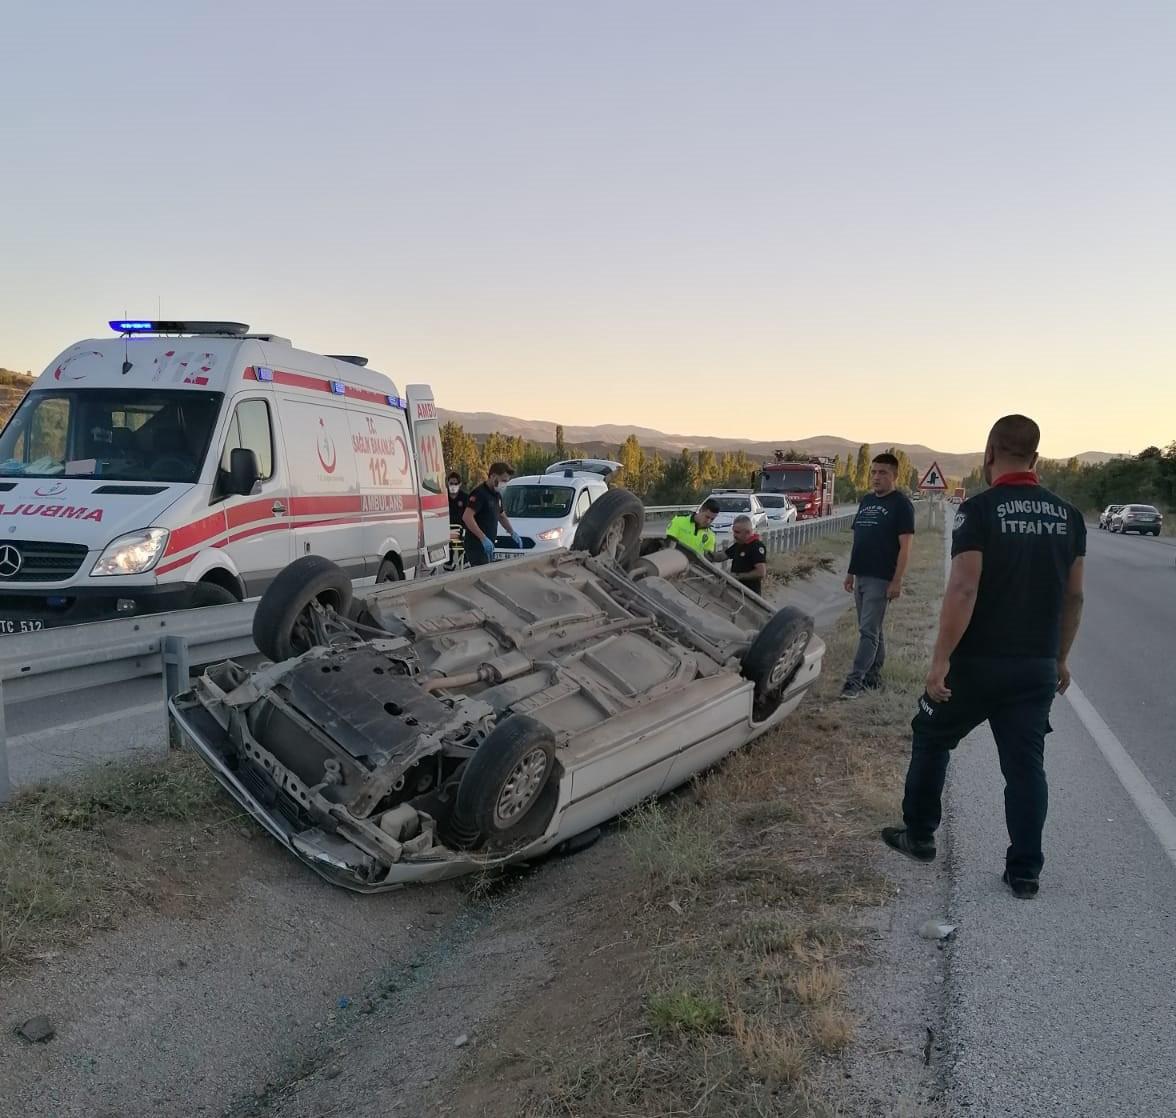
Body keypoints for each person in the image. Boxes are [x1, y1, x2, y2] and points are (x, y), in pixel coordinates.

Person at [881, 415, 1085, 900]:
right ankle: (1025, 871)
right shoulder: (1069, 516)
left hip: (976, 664)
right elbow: (1074, 599)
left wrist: (939, 661)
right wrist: (1059, 659)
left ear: (989, 452)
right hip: (1034, 667)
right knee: (1025, 767)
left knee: (931, 735)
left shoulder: (980, 510)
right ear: (1036, 458)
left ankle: (920, 835)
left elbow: (964, 587)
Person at [841, 453, 915, 699]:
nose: (876, 477)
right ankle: (873, 677)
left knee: (868, 632)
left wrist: (897, 580)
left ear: (895, 475)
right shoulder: (866, 501)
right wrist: (851, 573)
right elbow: (858, 540)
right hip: (861, 574)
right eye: (873, 472)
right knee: (874, 630)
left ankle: (854, 681)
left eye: (882, 472)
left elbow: (906, 547)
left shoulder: (901, 504)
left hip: (881, 577)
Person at [462, 462, 521, 567]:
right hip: (476, 545)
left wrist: (512, 532)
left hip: (489, 544)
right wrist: (483, 538)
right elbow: (467, 517)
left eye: (506, 481)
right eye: (503, 480)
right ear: (492, 476)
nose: (504, 484)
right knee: (482, 575)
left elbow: (501, 515)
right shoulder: (479, 493)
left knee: (488, 572)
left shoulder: (497, 495)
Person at [725, 515, 768, 595]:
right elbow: (722, 556)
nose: (734, 535)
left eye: (737, 532)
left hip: (749, 594)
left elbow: (761, 572)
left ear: (748, 532)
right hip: (735, 592)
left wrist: (738, 576)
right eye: (734, 531)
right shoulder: (739, 544)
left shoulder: (756, 546)